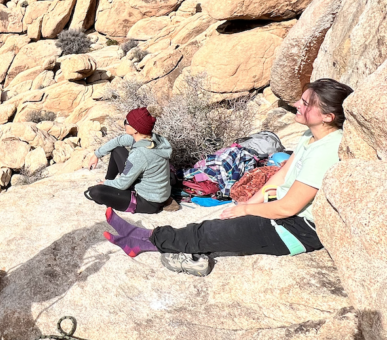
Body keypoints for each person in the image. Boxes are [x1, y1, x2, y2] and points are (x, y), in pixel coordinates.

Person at [103, 79, 353, 276]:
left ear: (328, 117)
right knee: (216, 224)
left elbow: (290, 206)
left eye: (307, 103)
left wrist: (245, 213)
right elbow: (282, 174)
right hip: (281, 213)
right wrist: (248, 204)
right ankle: (142, 237)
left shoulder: (327, 150)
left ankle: (142, 241)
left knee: (209, 232)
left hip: (295, 229)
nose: (298, 104)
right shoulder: (309, 137)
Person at [84, 106, 173, 213]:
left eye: (127, 122)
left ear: (135, 129)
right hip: (154, 190)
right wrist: (96, 155)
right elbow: (118, 141)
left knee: (95, 192)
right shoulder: (151, 138)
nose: (125, 124)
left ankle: (111, 188)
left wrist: (104, 184)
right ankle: (109, 181)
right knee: (117, 149)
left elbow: (122, 185)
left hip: (148, 201)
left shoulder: (141, 153)